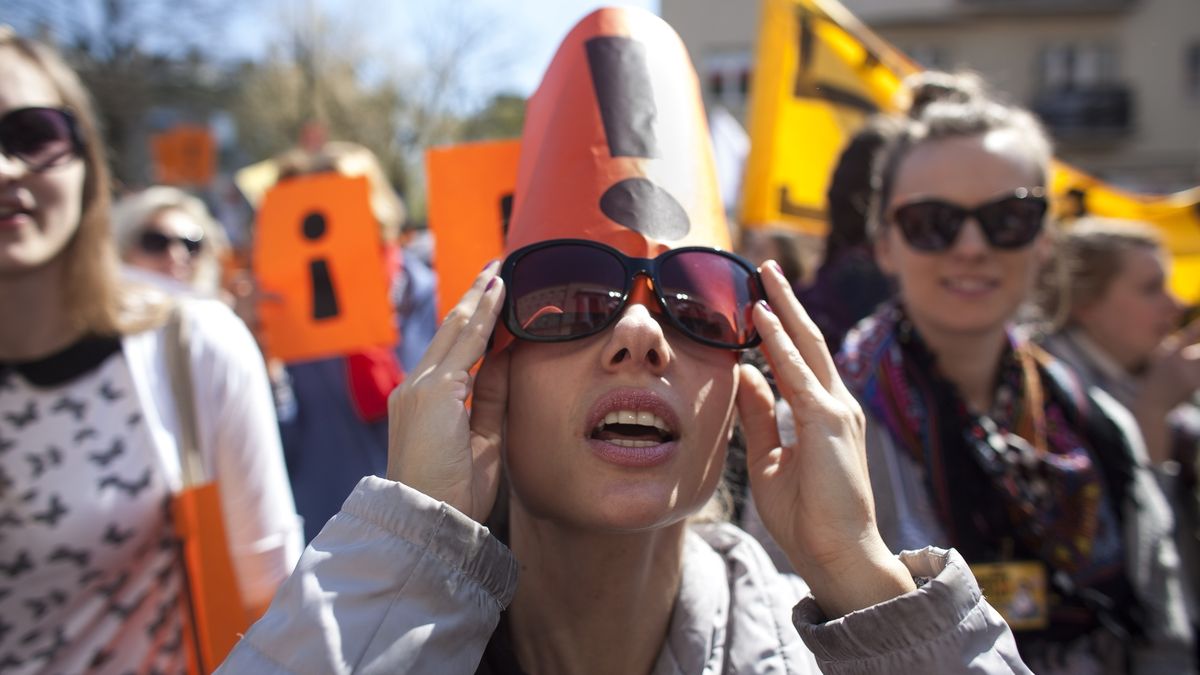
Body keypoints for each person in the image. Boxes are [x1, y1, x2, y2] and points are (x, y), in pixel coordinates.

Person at [218, 9, 1029, 673]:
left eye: (700, 301)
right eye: (571, 295)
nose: (641, 331)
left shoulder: (816, 653)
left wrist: (865, 582)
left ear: (747, 379)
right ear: (484, 369)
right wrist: (408, 565)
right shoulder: (381, 619)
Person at [837, 93, 1195, 672]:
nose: (972, 247)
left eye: (1008, 218)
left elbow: (1165, 634)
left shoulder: (1099, 427)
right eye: (933, 223)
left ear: (1043, 243)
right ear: (885, 244)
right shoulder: (821, 432)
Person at [0, 29, 301, 673]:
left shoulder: (193, 343)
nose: (4, 167)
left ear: (86, 158)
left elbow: (276, 603)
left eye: (32, 135)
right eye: (162, 240)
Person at [254, 141, 438, 542]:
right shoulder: (289, 312)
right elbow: (276, 448)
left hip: (430, 533)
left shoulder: (430, 297)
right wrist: (263, 364)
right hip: (331, 536)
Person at [1033, 217, 1200, 645]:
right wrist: (1154, 412)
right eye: (1151, 288)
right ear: (1085, 302)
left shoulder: (1154, 373)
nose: (1176, 304)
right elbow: (1142, 554)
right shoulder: (1048, 401)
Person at [111, 185, 231, 296]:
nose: (176, 255)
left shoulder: (212, 314)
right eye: (156, 241)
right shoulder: (100, 312)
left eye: (191, 244)